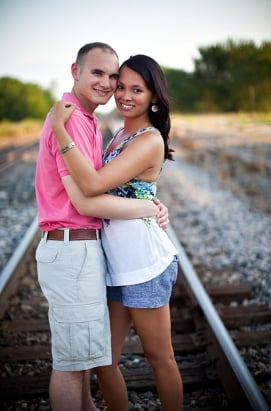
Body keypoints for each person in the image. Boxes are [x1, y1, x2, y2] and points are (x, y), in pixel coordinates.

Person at [35, 43, 169, 411]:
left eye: (115, 77)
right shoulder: (72, 120)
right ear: (75, 71)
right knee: (75, 365)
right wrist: (145, 206)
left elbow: (113, 182)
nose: (111, 86)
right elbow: (87, 195)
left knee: (84, 362)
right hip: (75, 248)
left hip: (99, 251)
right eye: (101, 74)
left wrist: (152, 202)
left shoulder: (91, 122)